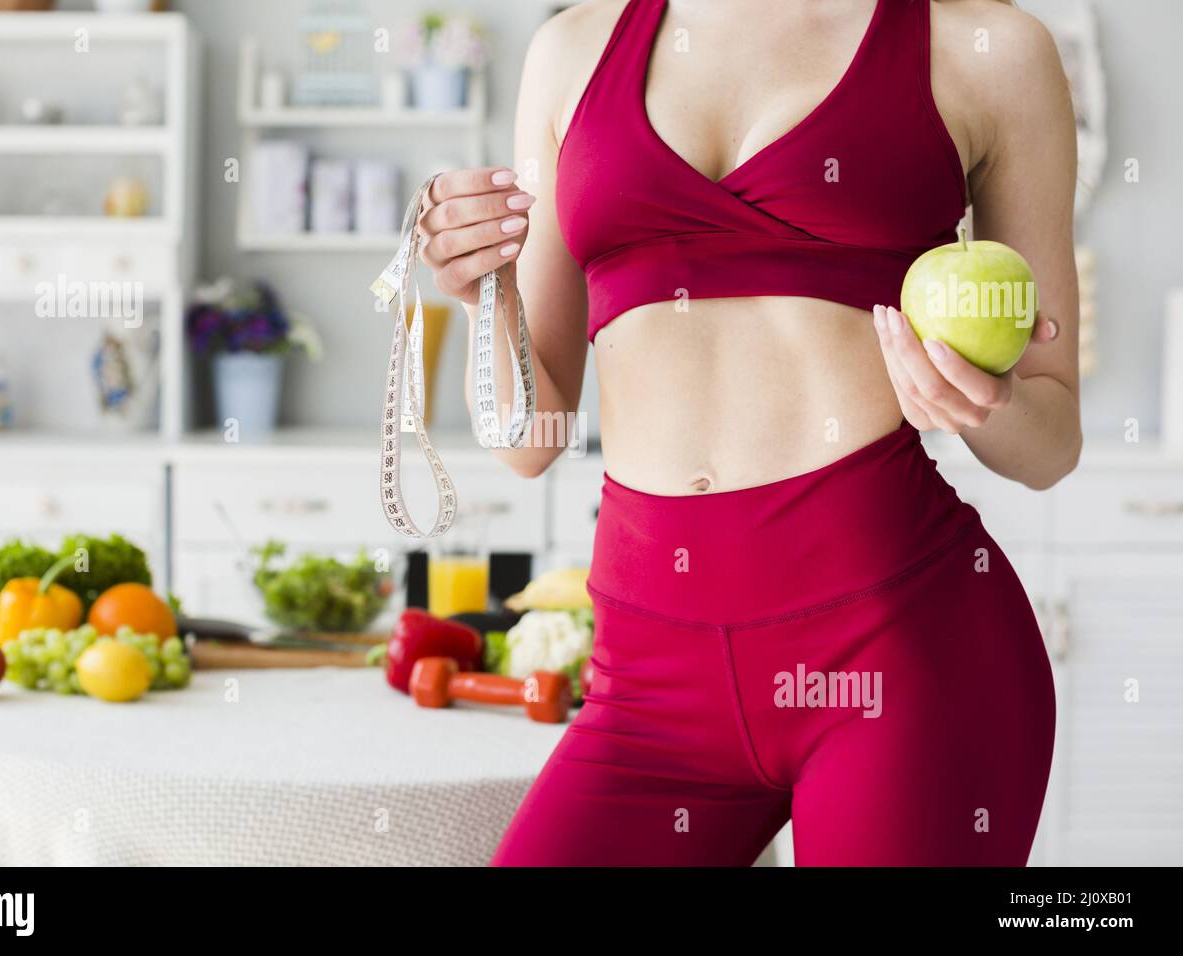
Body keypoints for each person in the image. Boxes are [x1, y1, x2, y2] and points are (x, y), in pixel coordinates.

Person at [416, 0, 1079, 866]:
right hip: (648, 682)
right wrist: (482, 294)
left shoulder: (986, 47)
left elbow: (1052, 440)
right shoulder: (571, 48)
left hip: (901, 656)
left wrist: (985, 403)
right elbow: (531, 438)